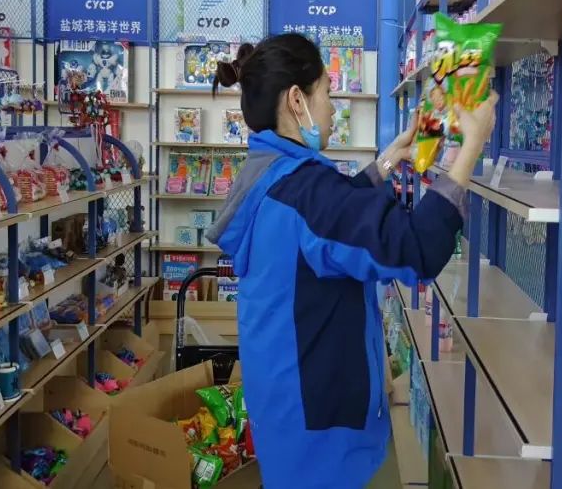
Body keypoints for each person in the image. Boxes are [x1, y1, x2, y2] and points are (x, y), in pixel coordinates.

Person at [205, 34, 496, 489]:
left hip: (285, 414)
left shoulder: (269, 174)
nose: (333, 108)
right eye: (327, 92)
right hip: (321, 436)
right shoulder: (308, 192)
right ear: (297, 100)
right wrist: (471, 146)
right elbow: (416, 249)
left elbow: (327, 226)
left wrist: (387, 163)